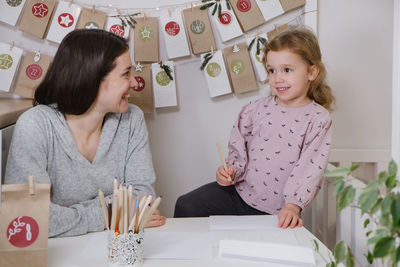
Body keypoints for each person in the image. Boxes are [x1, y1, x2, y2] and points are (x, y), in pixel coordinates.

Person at [5, 29, 166, 237]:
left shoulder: (131, 119)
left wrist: (64, 216)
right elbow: (26, 217)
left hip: (117, 248)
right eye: (126, 73)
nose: (135, 83)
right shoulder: (35, 125)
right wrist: (114, 214)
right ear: (92, 78)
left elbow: (145, 199)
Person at [174, 28, 334, 229]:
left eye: (287, 70)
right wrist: (230, 171)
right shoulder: (254, 109)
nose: (277, 78)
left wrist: (293, 206)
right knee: (186, 205)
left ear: (312, 72)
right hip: (238, 194)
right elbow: (238, 150)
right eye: (271, 70)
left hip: (277, 209)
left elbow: (309, 168)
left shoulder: (318, 118)